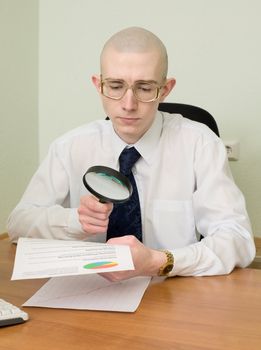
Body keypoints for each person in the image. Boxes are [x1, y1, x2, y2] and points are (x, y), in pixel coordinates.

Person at [7, 27, 255, 281]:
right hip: (87, 296)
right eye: (115, 86)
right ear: (98, 84)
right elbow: (17, 225)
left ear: (166, 89)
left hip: (170, 296)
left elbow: (238, 240)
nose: (128, 104)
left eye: (145, 88)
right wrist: (74, 221)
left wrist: (158, 261)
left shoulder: (200, 144)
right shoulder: (70, 146)